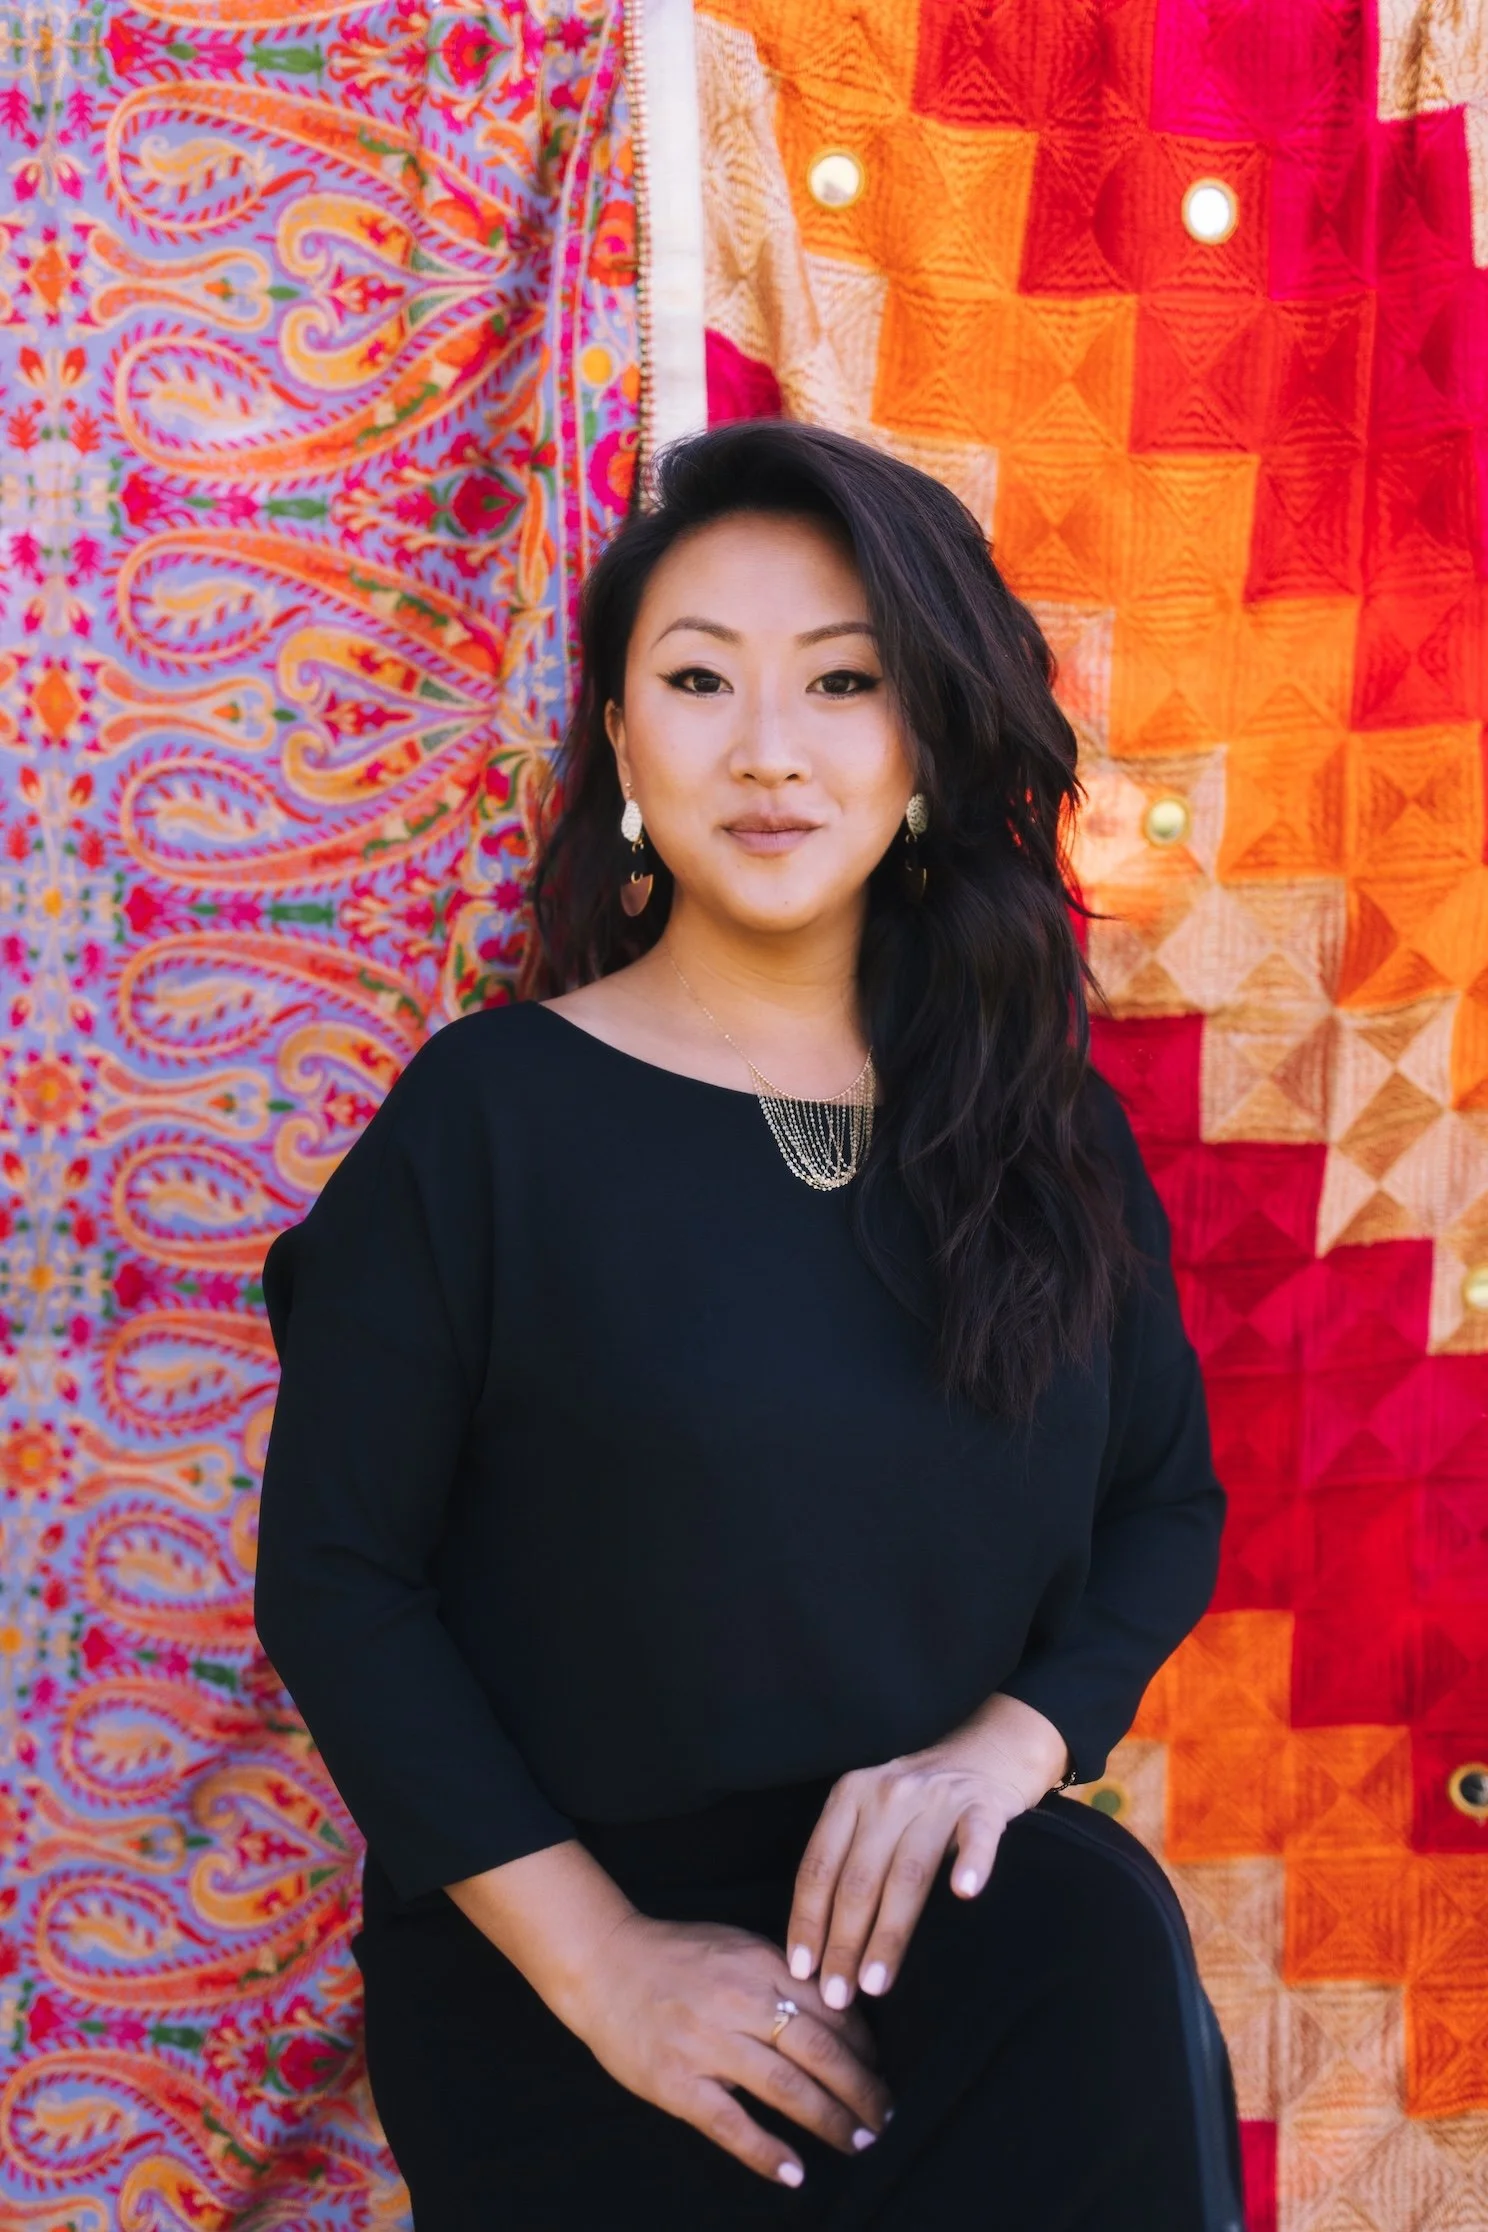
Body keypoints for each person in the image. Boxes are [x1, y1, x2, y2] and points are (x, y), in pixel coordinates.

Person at [253, 421, 1243, 2230]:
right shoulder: (488, 1120)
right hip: (568, 1970)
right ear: (623, 743)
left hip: (936, 1936)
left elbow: (1164, 1504)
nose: (769, 750)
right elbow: (336, 1578)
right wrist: (608, 1968)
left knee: (1095, 1924)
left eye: (843, 683)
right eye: (700, 681)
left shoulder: (1045, 1131)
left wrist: (1009, 1747)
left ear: (928, 741)